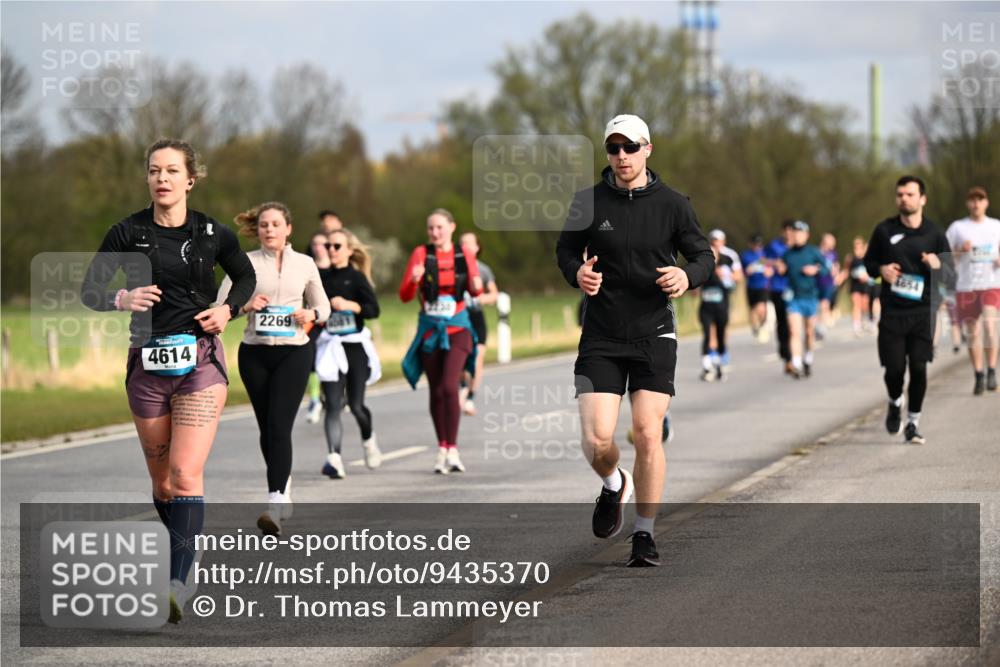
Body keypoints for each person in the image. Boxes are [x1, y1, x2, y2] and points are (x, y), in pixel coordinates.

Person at [80, 139, 256, 623]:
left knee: (184, 474)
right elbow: (90, 289)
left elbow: (244, 279)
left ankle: (177, 580)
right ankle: (190, 550)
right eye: (154, 170)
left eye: (172, 170)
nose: (162, 178)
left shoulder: (211, 232)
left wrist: (228, 308)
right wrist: (121, 298)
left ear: (190, 179)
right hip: (147, 365)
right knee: (161, 485)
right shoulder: (127, 231)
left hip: (200, 362)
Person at [556, 114, 714, 567]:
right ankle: (613, 484)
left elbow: (704, 255)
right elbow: (566, 250)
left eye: (630, 147)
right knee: (596, 439)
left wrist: (687, 274)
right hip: (601, 335)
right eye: (613, 148)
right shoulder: (587, 202)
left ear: (647, 149)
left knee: (647, 432)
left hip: (653, 333)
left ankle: (644, 534)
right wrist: (577, 273)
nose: (621, 156)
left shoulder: (674, 204)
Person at [217, 202, 329, 537]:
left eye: (275, 224)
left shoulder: (305, 264)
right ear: (258, 229)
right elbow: (221, 308)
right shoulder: (244, 264)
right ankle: (283, 482)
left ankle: (276, 502)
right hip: (255, 355)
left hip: (294, 353)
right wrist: (246, 305)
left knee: (280, 425)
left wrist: (310, 315)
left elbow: (322, 305)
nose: (269, 230)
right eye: (264, 224)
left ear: (288, 229)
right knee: (267, 428)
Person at [864, 175, 953, 444]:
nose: (904, 198)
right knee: (893, 370)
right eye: (900, 194)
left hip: (923, 312)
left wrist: (937, 266)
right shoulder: (884, 231)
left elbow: (950, 275)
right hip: (892, 312)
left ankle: (913, 421)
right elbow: (868, 264)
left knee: (919, 367)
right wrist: (881, 270)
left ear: (922, 199)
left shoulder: (935, 234)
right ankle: (894, 402)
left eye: (910, 194)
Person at [400, 209, 483, 474]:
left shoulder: (464, 255)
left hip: (458, 329)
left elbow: (475, 290)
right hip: (430, 331)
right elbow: (404, 295)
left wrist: (477, 285)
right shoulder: (420, 254)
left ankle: (454, 448)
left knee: (449, 386)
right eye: (431, 228)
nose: (435, 233)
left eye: (439, 227)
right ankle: (442, 447)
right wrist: (414, 280)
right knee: (436, 390)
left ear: (452, 227)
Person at [315, 228, 383, 477]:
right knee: (332, 404)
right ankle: (334, 458)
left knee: (355, 405)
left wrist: (350, 305)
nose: (331, 250)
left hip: (354, 347)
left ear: (349, 250)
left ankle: (368, 440)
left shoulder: (357, 278)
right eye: (328, 246)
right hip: (330, 346)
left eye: (336, 246)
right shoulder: (320, 277)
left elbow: (373, 309)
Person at [946, 186, 1000, 394]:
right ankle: (978, 373)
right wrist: (960, 251)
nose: (976, 204)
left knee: (989, 326)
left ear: (986, 202)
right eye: (972, 200)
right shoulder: (958, 228)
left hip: (991, 284)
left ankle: (992, 369)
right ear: (967, 203)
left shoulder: (996, 226)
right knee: (972, 332)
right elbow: (945, 257)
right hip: (966, 286)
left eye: (980, 199)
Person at [777, 221, 827, 378]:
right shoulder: (787, 253)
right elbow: (782, 271)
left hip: (811, 297)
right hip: (794, 298)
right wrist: (781, 270)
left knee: (809, 332)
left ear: (806, 235)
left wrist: (816, 269)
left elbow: (826, 269)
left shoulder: (813, 252)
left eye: (800, 232)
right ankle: (797, 362)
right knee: (794, 331)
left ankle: (808, 358)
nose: (796, 235)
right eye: (795, 232)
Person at [459, 231, 499, 416]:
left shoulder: (483, 270)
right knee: (459, 360)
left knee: (476, 359)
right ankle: (461, 386)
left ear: (477, 247)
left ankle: (470, 398)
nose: (466, 247)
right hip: (458, 319)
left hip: (476, 319)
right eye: (462, 244)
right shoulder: (453, 268)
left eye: (469, 244)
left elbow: (494, 295)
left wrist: (479, 298)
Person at [698, 242, 735, 381]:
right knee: (707, 335)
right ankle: (707, 367)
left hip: (721, 309)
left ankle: (719, 365)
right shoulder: (703, 270)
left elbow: (731, 287)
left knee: (720, 336)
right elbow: (695, 290)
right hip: (706, 309)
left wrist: (724, 277)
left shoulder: (724, 269)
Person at [305, 232, 331, 424]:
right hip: (312, 321)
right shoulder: (307, 267)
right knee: (311, 360)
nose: (318, 247)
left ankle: (335, 395)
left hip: (334, 323)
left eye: (323, 244)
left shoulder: (337, 268)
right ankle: (314, 399)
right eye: (315, 243)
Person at [765, 221, 796, 374]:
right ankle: (786, 353)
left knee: (793, 324)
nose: (789, 234)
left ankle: (792, 357)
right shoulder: (774, 246)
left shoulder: (798, 247)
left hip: (795, 289)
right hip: (778, 288)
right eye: (787, 231)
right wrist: (775, 263)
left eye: (792, 231)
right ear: (782, 232)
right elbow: (763, 260)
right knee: (782, 322)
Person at [741, 233, 772, 342]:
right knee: (753, 310)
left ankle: (763, 326)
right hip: (751, 286)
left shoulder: (765, 255)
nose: (757, 247)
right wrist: (747, 271)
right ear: (750, 244)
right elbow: (742, 272)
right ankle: (755, 327)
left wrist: (769, 272)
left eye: (759, 244)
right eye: (755, 244)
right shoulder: (745, 256)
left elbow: (771, 269)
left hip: (763, 285)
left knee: (761, 308)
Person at [842, 236, 875, 336]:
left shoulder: (867, 258)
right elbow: (846, 271)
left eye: (860, 246)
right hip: (855, 285)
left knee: (865, 304)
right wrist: (840, 279)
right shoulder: (851, 259)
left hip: (866, 285)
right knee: (856, 305)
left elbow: (872, 271)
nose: (857, 249)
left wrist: (868, 277)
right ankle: (856, 327)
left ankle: (865, 320)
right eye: (856, 246)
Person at [817, 232, 842, 339]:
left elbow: (836, 265)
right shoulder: (817, 252)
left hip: (828, 282)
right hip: (816, 282)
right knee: (817, 305)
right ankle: (816, 324)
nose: (833, 244)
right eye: (831, 242)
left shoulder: (833, 254)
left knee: (825, 303)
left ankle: (821, 326)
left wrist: (836, 272)